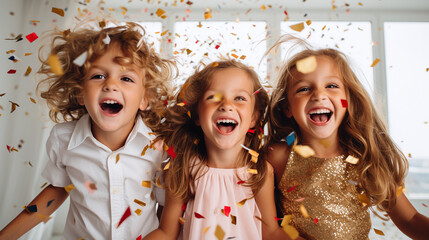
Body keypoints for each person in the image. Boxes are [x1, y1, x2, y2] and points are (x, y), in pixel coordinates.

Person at [0, 22, 175, 240]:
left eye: (126, 78)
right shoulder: (63, 139)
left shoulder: (158, 147)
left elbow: (165, 207)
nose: (110, 85)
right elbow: (57, 190)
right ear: (81, 93)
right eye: (98, 76)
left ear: (144, 99)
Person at [265, 41, 429, 239]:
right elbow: (269, 228)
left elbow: (409, 220)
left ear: (348, 100)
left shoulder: (366, 157)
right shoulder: (277, 156)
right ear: (287, 108)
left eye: (332, 86)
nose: (319, 94)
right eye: (304, 89)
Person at [143, 60, 299, 240]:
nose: (226, 105)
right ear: (197, 116)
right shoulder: (182, 170)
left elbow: (271, 232)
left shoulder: (261, 172)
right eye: (213, 97)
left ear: (254, 118)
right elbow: (166, 233)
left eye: (239, 98)